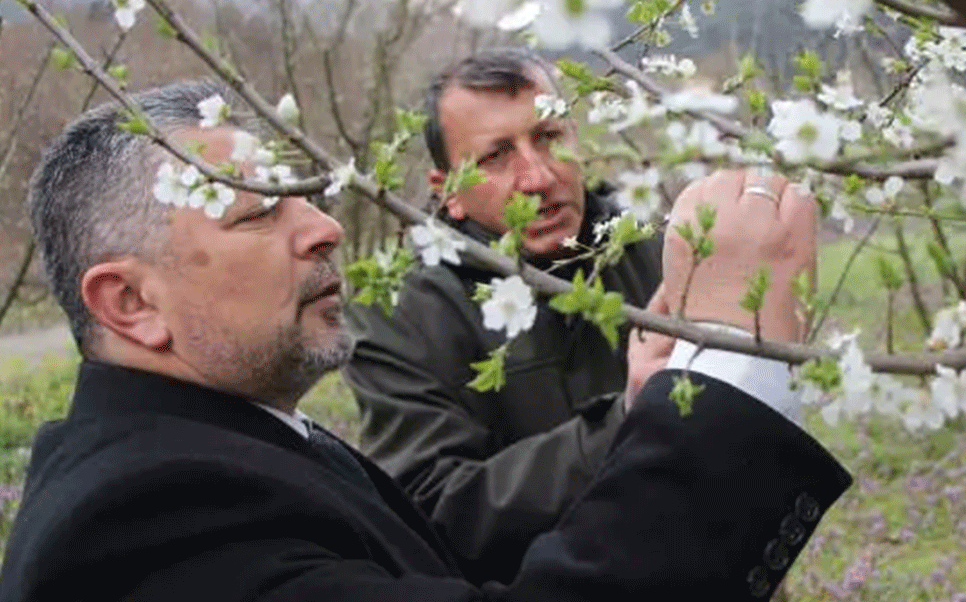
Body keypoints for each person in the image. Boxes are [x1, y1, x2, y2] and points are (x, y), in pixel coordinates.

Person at [0, 80, 851, 602]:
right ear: (130, 302)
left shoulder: (241, 437)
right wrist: (736, 361)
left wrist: (649, 403)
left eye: (308, 194)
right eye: (260, 210)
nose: (328, 226)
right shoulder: (146, 526)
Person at [343, 49, 663, 581]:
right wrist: (625, 421)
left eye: (549, 137)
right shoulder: (399, 315)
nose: (536, 177)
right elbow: (430, 510)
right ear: (450, 193)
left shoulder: (653, 251)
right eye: (495, 157)